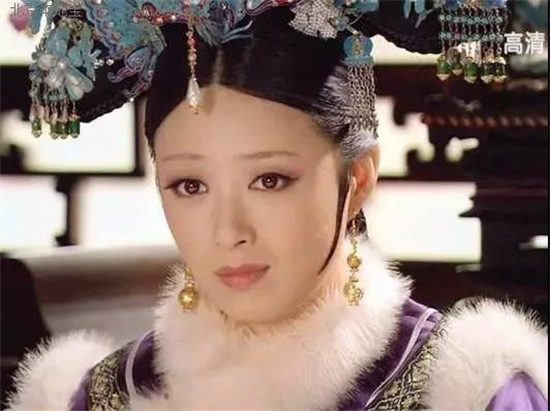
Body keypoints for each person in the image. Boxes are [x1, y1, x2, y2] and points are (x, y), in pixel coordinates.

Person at [6, 1, 548, 410]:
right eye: (190, 185)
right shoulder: (103, 397)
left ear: (358, 178)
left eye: (270, 180)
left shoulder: (466, 391)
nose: (229, 232)